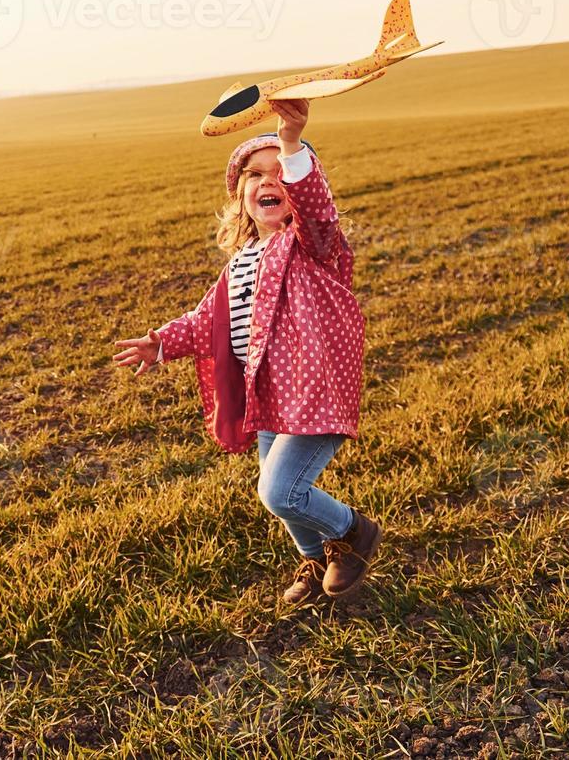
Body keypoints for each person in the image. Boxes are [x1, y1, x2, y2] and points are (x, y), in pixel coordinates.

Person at [113, 99, 378, 606]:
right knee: (280, 496)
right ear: (240, 197)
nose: (268, 181)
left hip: (314, 394)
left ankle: (353, 532)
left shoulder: (314, 245)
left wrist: (293, 141)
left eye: (281, 172)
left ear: (300, 187)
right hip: (270, 398)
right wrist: (162, 342)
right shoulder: (240, 263)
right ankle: (316, 559)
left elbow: (318, 211)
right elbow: (206, 322)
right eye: (255, 175)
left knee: (279, 491)